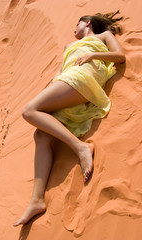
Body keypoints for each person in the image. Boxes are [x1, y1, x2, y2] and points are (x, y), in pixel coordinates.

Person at [13, 11, 125, 227]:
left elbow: (120, 56)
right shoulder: (67, 48)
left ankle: (80, 148)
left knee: (29, 111)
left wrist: (93, 56)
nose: (74, 31)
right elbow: (59, 72)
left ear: (87, 23)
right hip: (68, 82)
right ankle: (36, 199)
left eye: (77, 25)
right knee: (41, 134)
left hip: (83, 78)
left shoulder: (102, 37)